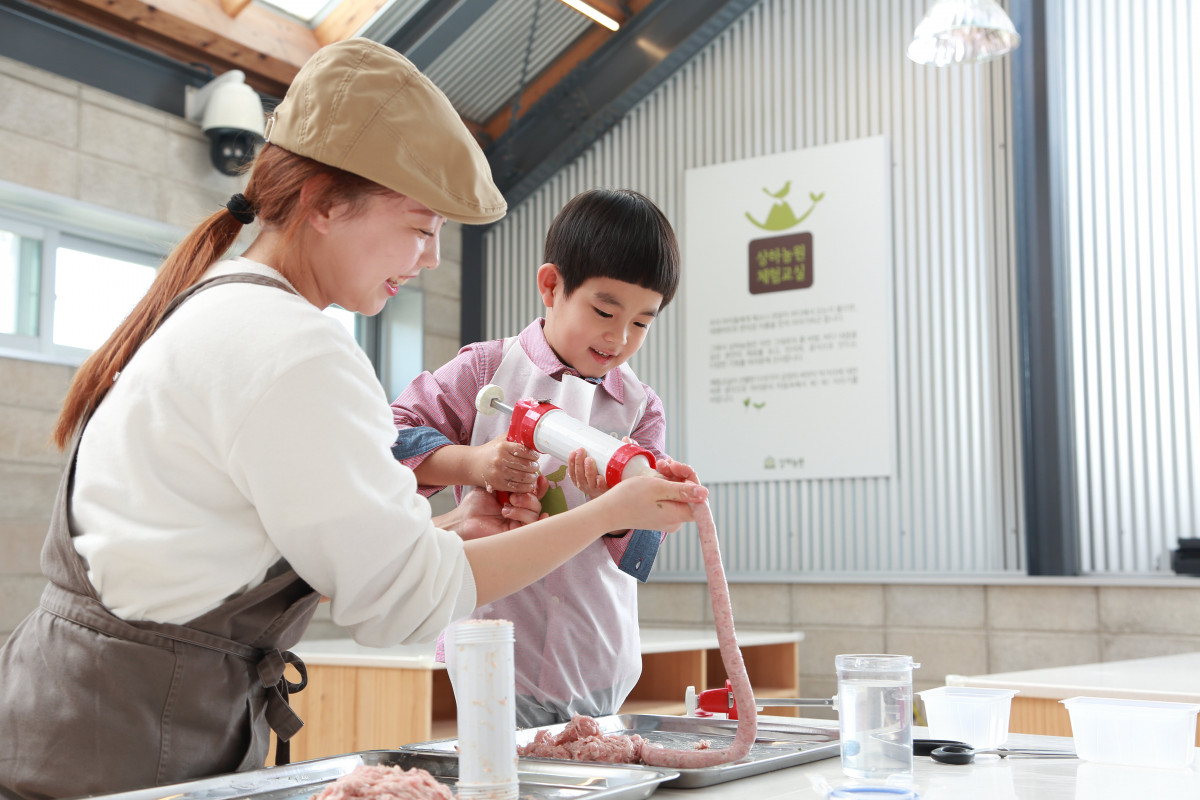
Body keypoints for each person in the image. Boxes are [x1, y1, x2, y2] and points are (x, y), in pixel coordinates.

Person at [0, 40, 707, 800]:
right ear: (325, 203)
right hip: (132, 741)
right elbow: (398, 602)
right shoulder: (298, 348)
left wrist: (449, 533)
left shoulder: (224, 306)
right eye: (420, 225)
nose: (432, 257)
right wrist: (604, 509)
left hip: (90, 718)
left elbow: (328, 557)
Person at [391, 188, 683, 727]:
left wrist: (618, 507)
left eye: (642, 322)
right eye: (604, 310)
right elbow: (391, 438)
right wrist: (473, 463)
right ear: (551, 286)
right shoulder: (486, 370)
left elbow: (646, 544)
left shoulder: (640, 408)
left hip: (596, 654)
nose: (619, 337)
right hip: (494, 647)